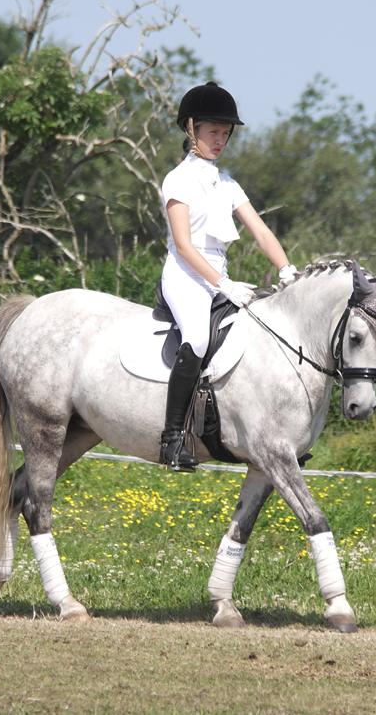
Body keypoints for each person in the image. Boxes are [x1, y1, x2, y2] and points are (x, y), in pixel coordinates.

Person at [158, 81, 297, 471]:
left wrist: (286, 268)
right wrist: (222, 284)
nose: (221, 140)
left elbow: (261, 231)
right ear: (192, 130)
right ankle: (171, 439)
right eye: (214, 132)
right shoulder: (178, 180)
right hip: (186, 275)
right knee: (198, 338)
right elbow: (184, 246)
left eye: (226, 133)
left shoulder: (228, 184)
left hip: (220, 274)